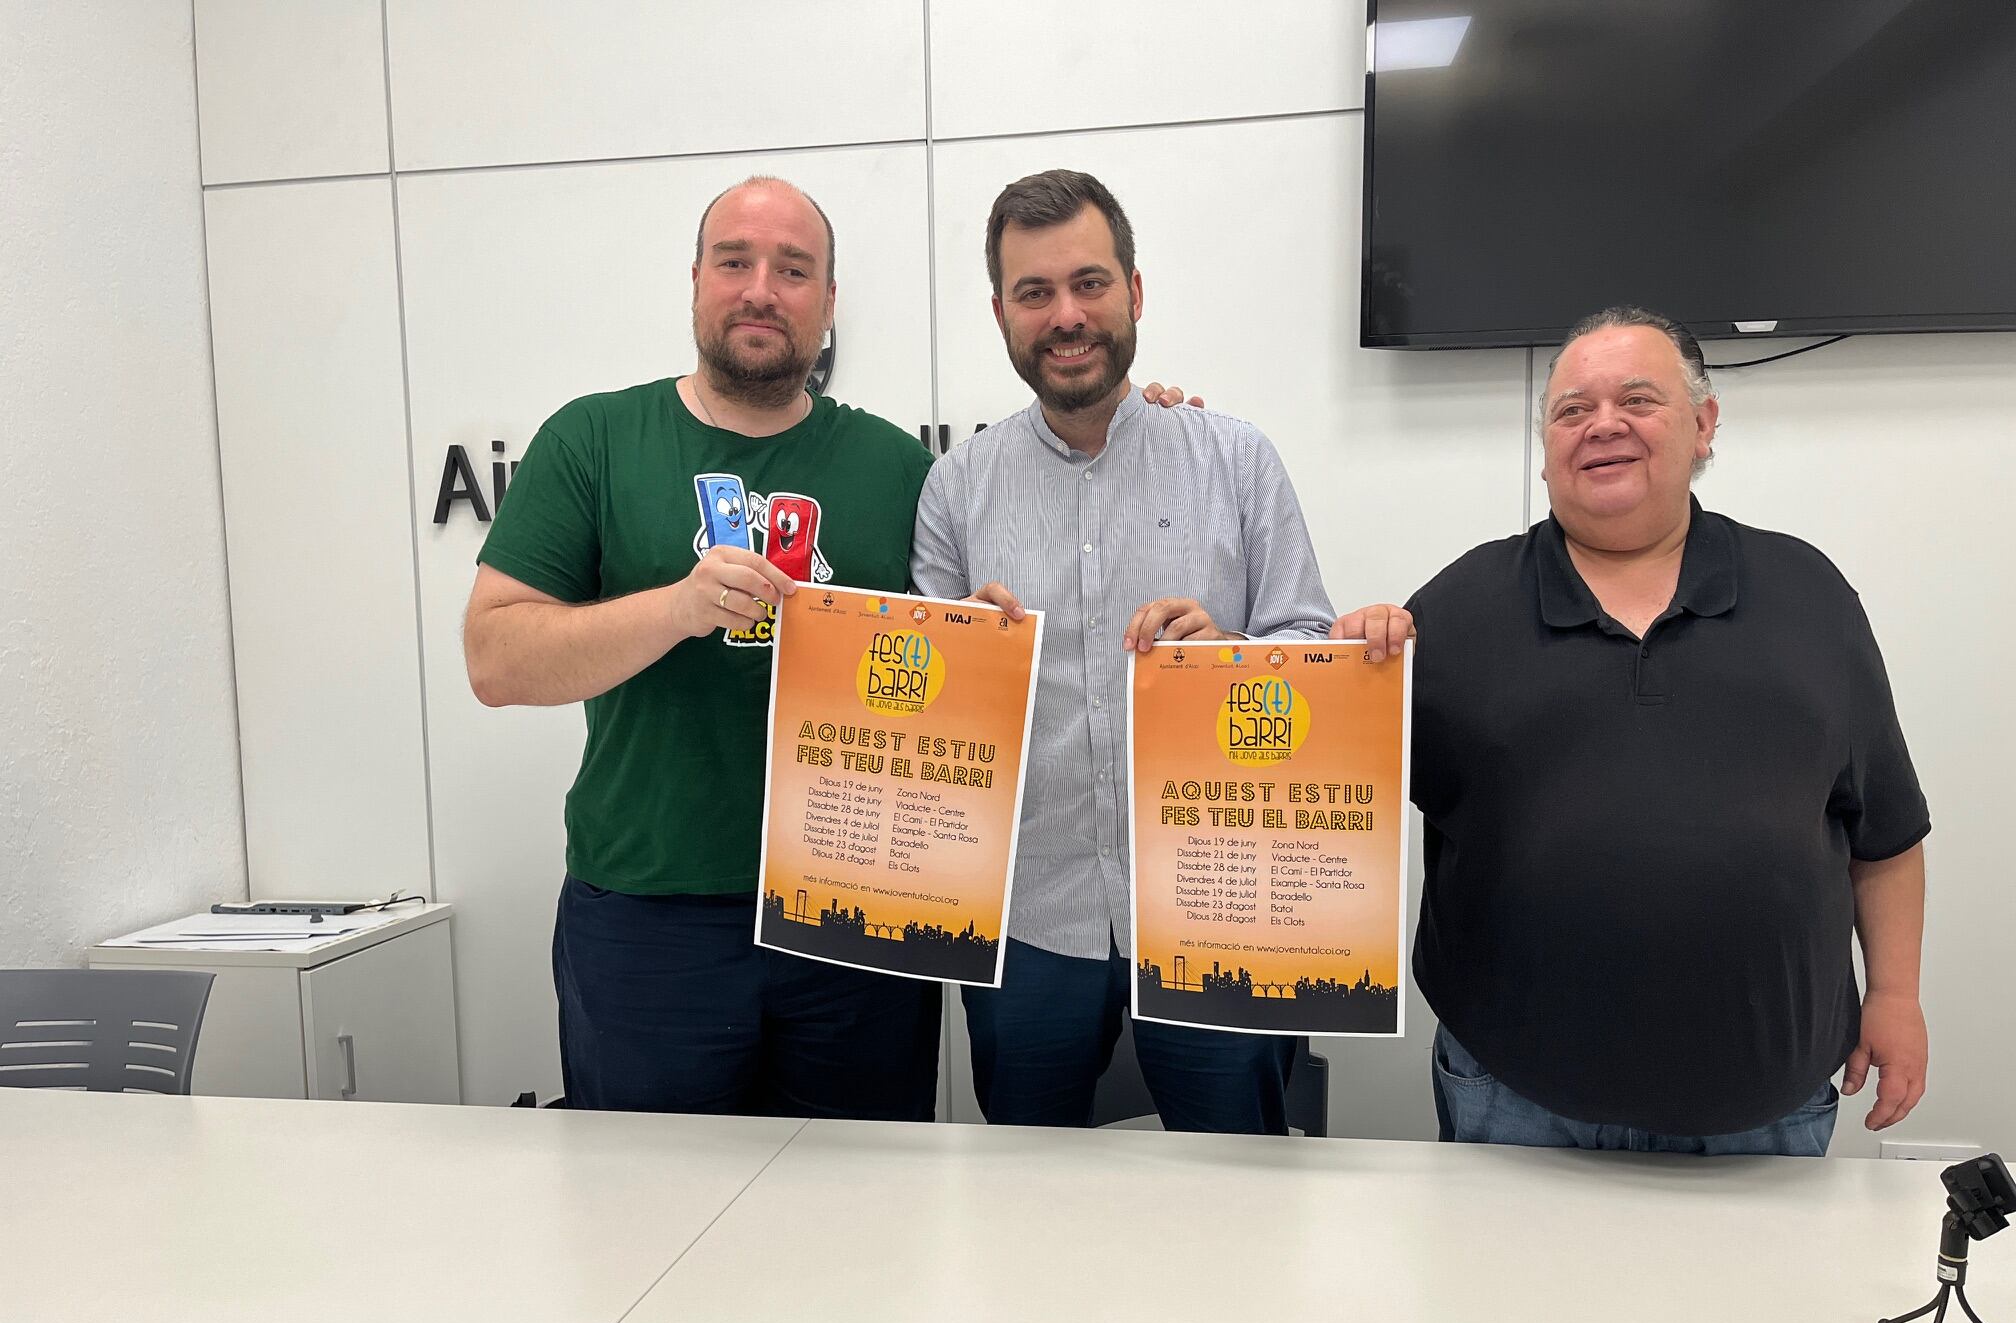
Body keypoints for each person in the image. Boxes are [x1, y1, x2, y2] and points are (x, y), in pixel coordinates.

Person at [1336, 306, 1929, 1154]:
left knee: (1767, 1297)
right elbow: (1317, 798)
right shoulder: (1457, 610)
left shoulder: (1811, 598)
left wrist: (1897, 998)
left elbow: (1886, 834)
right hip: (1513, 1095)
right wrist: (1249, 672)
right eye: (1572, 410)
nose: (1602, 425)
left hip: (1768, 1104)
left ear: (1703, 423)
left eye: (1637, 400)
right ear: (1545, 448)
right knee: (1503, 1294)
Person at [463, 176, 942, 1118]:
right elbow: (495, 660)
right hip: (649, 918)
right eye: (736, 262)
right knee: (649, 1222)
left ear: (830, 302)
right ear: (695, 281)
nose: (762, 288)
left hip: (856, 918)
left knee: (859, 1223)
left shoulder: (901, 469)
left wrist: (1146, 423)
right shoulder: (593, 439)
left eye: (794, 270)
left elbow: (982, 655)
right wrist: (677, 609)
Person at [911, 169, 1334, 1133]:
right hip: (1027, 922)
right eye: (1035, 293)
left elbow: (1313, 643)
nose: (1067, 315)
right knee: (1031, 1203)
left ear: (1135, 293)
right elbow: (922, 722)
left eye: (1090, 284)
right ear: (1000, 313)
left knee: (1236, 1194)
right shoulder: (956, 488)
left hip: (1217, 910)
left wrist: (1234, 655)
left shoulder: (1235, 458)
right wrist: (959, 661)